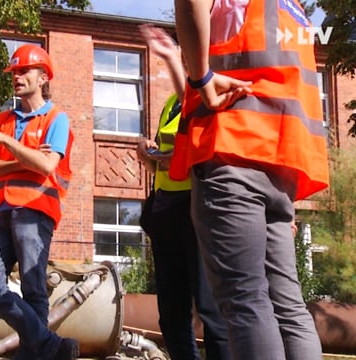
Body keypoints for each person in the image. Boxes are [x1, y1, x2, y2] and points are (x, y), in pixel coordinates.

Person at [171, 0, 329, 359]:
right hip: (280, 167)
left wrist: (202, 79)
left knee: (245, 300)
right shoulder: (292, 8)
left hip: (232, 149)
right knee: (289, 308)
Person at [0, 44, 77, 360]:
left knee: (34, 289)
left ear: (44, 76)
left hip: (35, 209)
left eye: (24, 70)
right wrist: (25, 159)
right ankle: (49, 344)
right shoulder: (1, 117)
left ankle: (34, 352)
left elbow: (48, 166)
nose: (17, 77)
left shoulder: (57, 118)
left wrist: (5, 142)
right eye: (14, 72)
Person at [137, 25, 230, 360]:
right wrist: (148, 157)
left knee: (209, 307)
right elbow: (167, 165)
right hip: (166, 209)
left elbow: (201, 145)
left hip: (196, 208)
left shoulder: (211, 95)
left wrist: (171, 58)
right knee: (171, 312)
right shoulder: (169, 106)